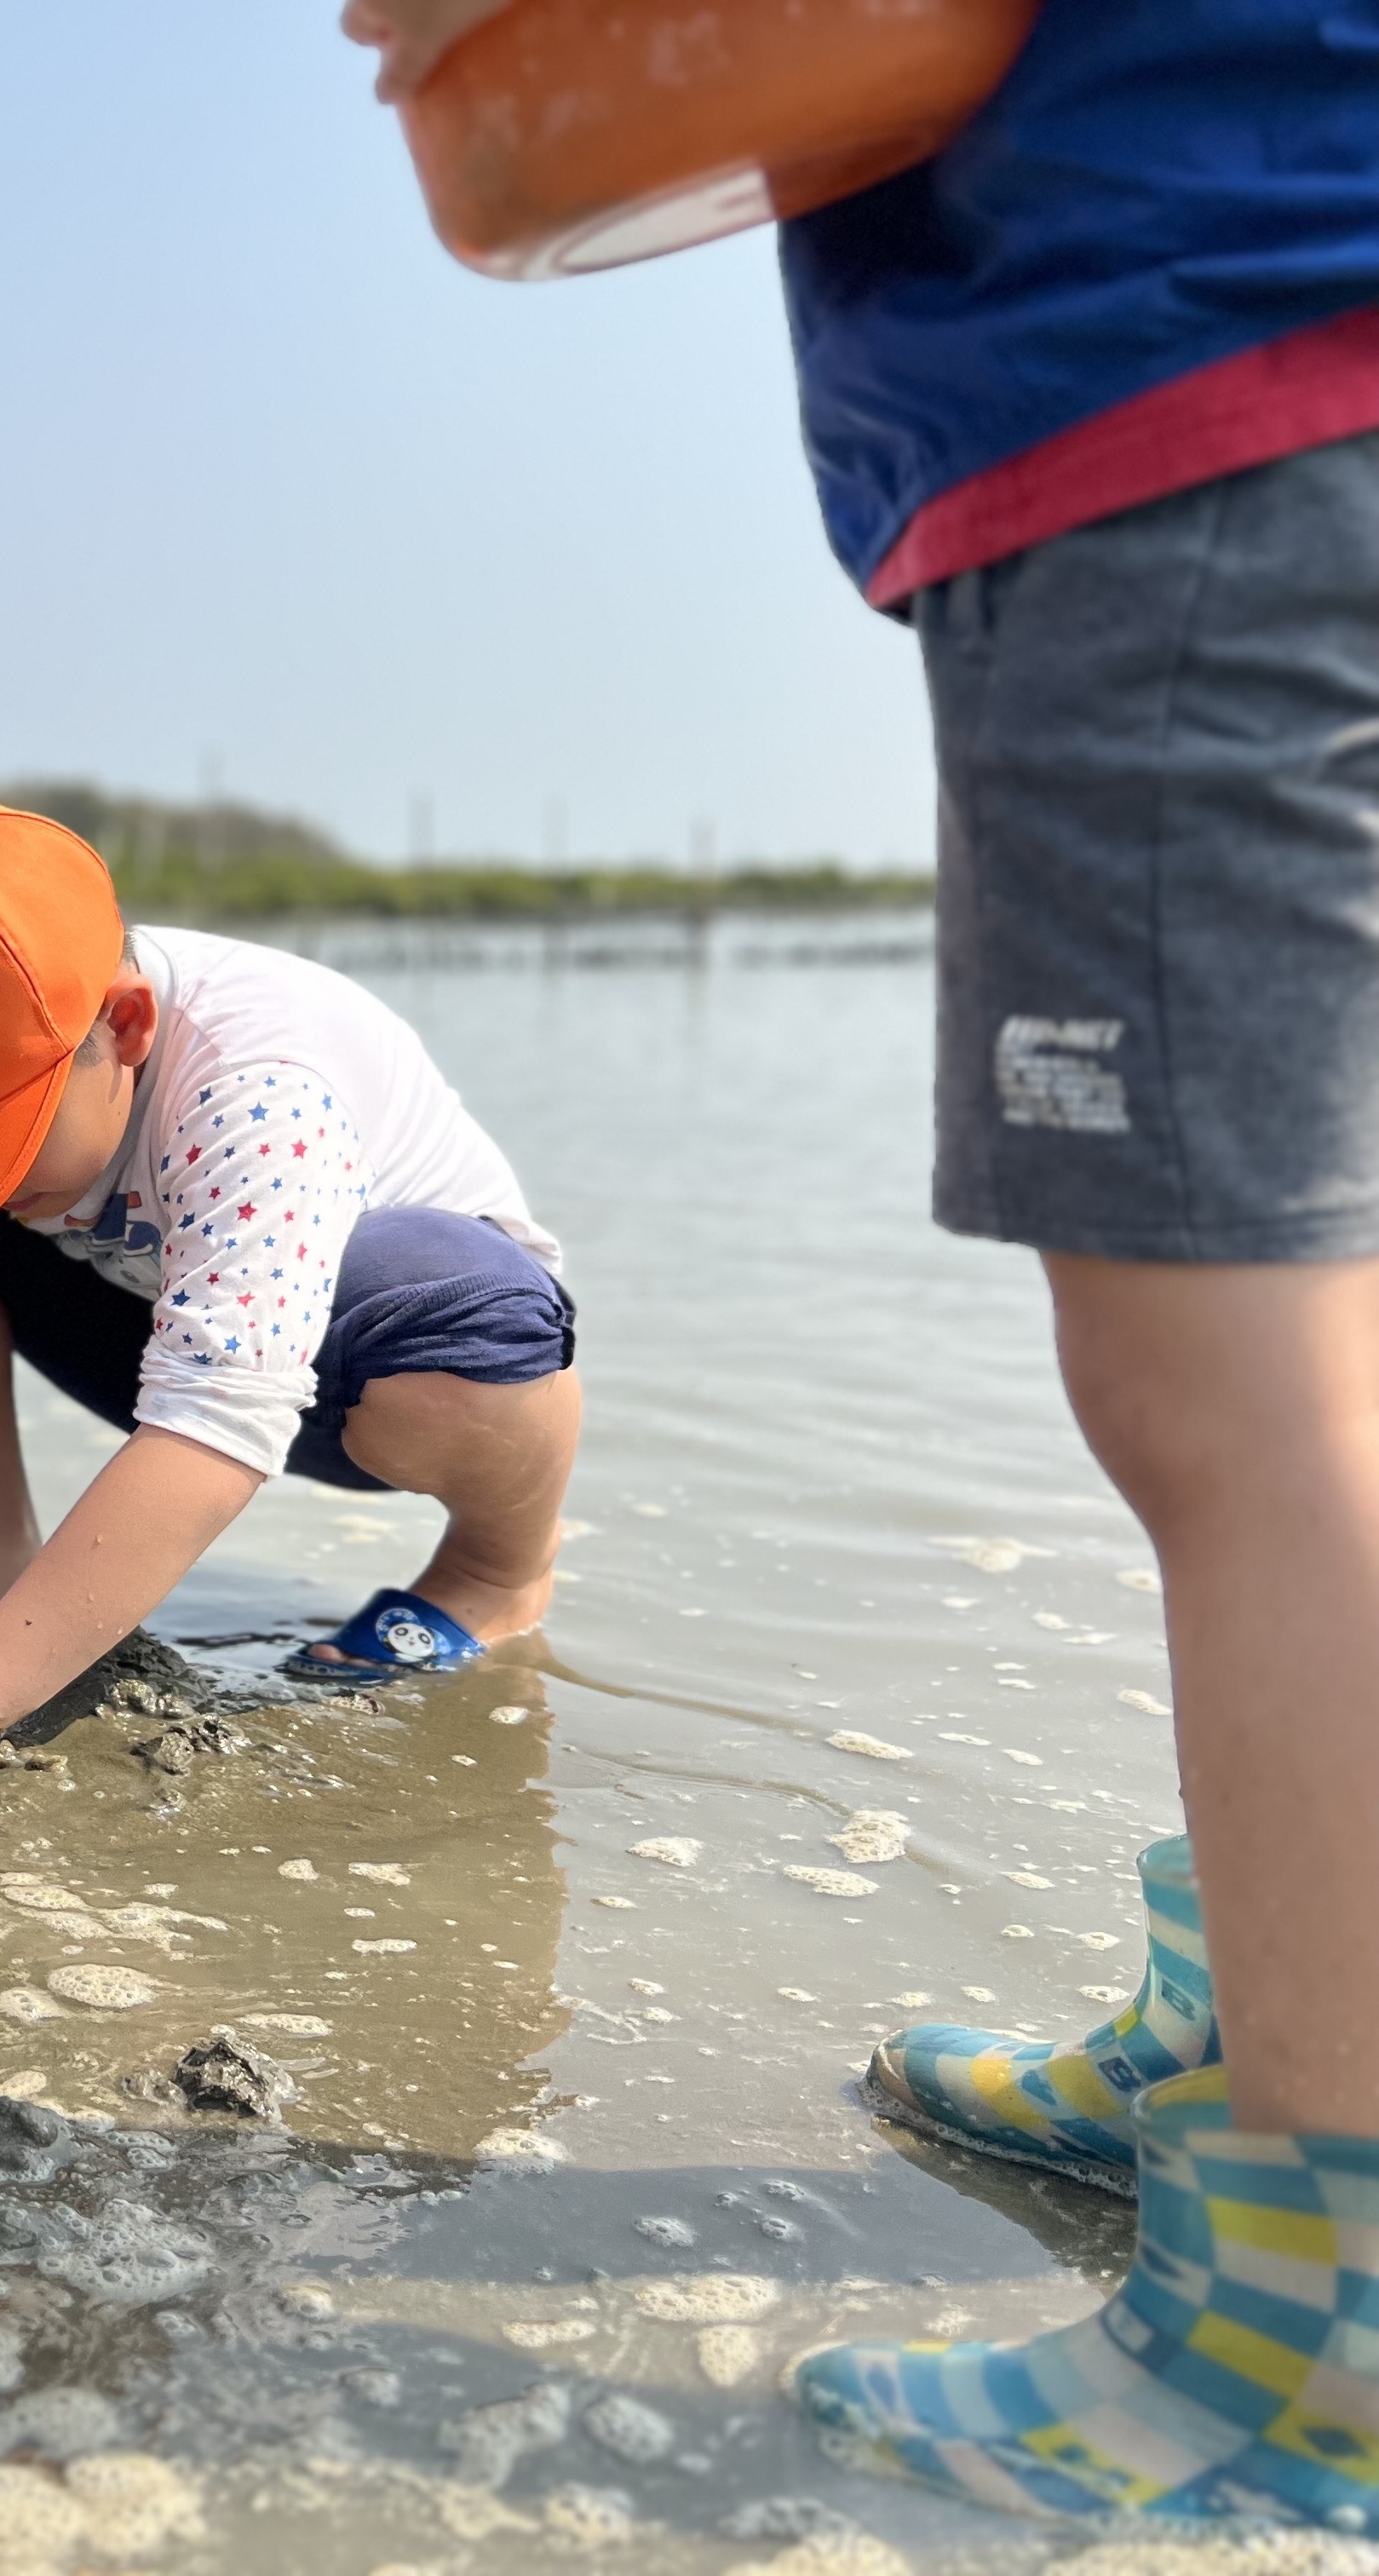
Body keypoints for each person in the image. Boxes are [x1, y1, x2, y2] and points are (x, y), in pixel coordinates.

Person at [351, 0, 1379, 2529]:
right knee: (1329, 1323)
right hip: (1282, 323)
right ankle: (1257, 2023)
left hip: (1198, 358)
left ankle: (1313, 2336)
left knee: (1230, 1395)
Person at [0, 800, 577, 1802]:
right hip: (137, 1311)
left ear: (125, 1025)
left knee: (437, 1309)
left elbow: (218, 1410)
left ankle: (497, 1573)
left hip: (364, 1362)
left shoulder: (260, 1078)